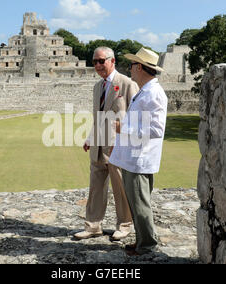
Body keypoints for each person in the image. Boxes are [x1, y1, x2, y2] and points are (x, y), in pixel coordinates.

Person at [74, 47, 139, 240]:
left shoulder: (127, 84)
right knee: (95, 188)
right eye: (95, 62)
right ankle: (93, 225)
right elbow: (99, 118)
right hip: (98, 146)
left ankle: (124, 225)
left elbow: (135, 118)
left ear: (113, 61)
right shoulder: (97, 87)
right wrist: (90, 138)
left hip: (118, 146)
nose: (98, 65)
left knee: (120, 187)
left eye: (101, 61)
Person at [109, 47, 168, 256]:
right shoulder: (145, 91)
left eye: (133, 65)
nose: (130, 69)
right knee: (135, 201)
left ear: (140, 67)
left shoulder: (154, 93)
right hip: (133, 157)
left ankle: (147, 244)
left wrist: (123, 128)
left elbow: (156, 129)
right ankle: (142, 239)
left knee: (140, 203)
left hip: (140, 158)